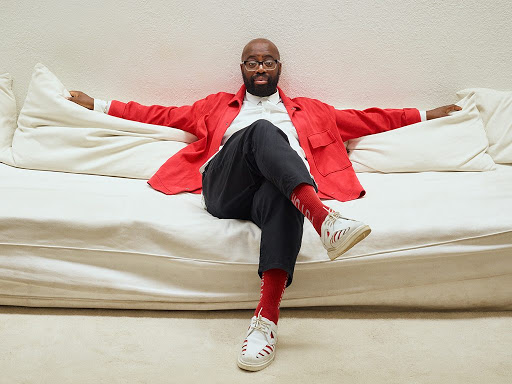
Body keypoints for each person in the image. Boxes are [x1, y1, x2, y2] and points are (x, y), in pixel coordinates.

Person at [68, 38, 461, 371]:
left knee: (281, 193)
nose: (260, 67)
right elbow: (160, 114)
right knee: (262, 130)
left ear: (278, 68)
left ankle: (266, 320)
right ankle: (323, 218)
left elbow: (368, 119)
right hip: (224, 189)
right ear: (242, 68)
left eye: (267, 61)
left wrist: (428, 113)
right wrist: (98, 105)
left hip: (276, 192)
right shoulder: (217, 105)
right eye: (253, 61)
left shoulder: (314, 111)